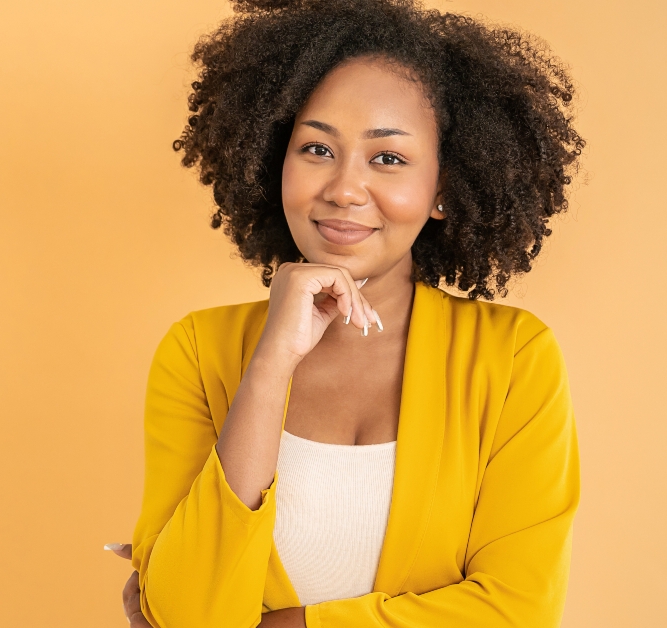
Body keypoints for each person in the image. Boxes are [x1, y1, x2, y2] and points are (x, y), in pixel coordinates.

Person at [108, 0, 584, 625]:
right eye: (316, 149)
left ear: (444, 186)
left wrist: (289, 624)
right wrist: (271, 364)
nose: (344, 189)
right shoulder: (200, 350)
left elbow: (518, 611)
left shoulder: (513, 357)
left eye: (387, 158)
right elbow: (184, 612)